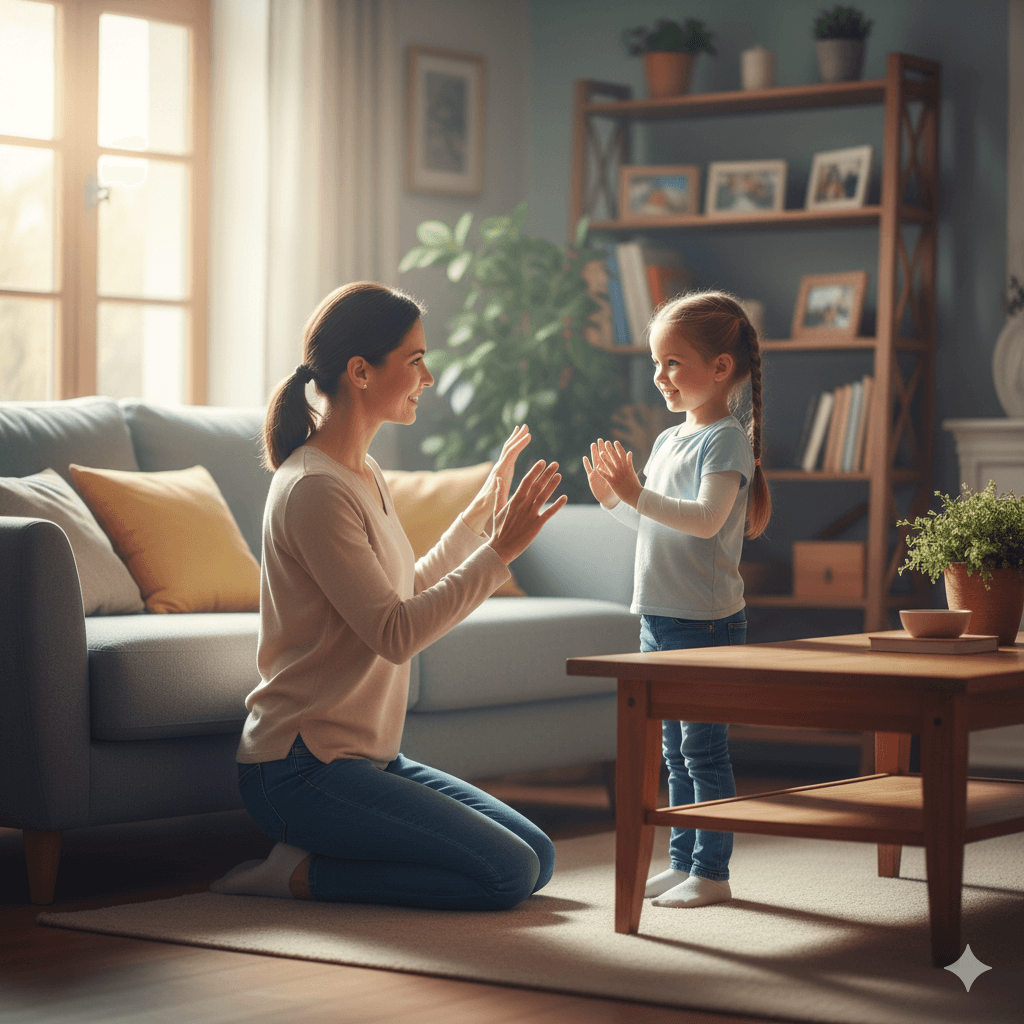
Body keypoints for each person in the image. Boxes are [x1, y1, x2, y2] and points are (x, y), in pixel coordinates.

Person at [211, 281, 567, 910]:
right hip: (299, 769)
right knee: (508, 874)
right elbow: (395, 634)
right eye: (415, 359)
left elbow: (406, 591)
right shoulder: (313, 488)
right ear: (361, 372)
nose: (427, 377)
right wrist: (500, 554)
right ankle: (295, 875)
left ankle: (326, 858)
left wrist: (481, 516)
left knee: (537, 855)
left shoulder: (363, 473)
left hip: (366, 759)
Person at [583, 290, 771, 909]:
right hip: (659, 618)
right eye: (655, 363)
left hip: (706, 623)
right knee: (673, 753)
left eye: (672, 363)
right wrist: (615, 501)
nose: (659, 376)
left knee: (703, 750)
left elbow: (705, 520)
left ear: (720, 367)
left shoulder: (725, 441)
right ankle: (683, 861)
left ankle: (712, 872)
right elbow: (655, 525)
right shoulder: (668, 440)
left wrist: (636, 493)